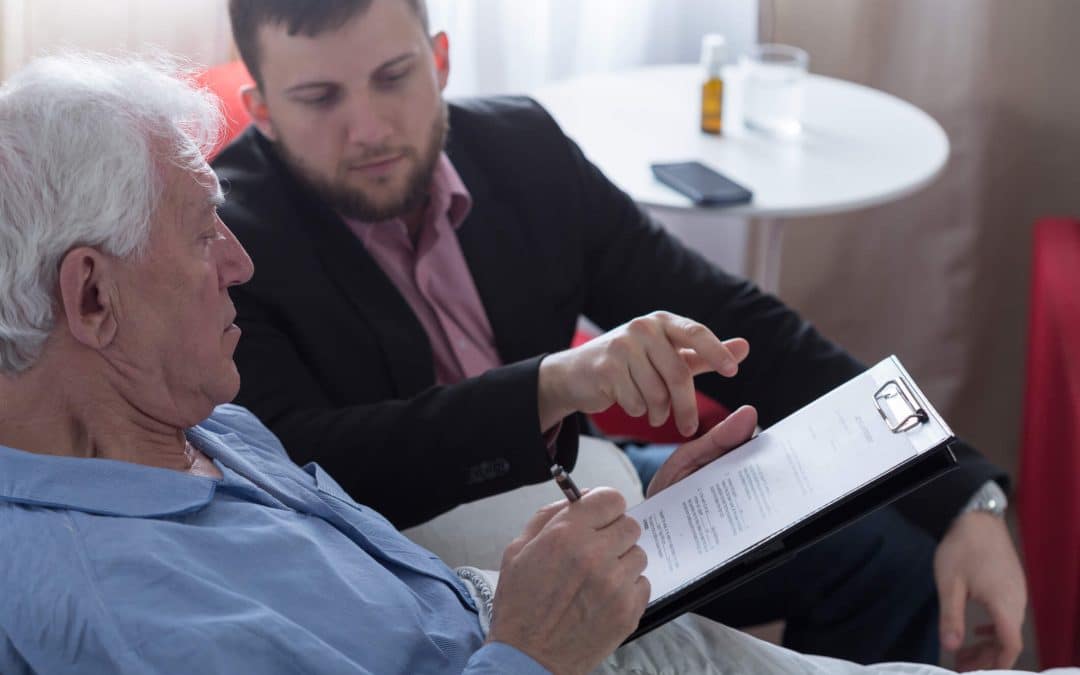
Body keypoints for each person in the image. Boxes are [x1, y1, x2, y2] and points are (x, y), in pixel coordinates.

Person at [4, 51, 1064, 675]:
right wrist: (534, 644)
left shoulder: (191, 420)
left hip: (563, 576)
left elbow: (738, 322)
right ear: (91, 296)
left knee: (885, 551)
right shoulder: (111, 606)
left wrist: (966, 495)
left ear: (441, 61)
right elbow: (359, 459)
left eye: (395, 77)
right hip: (533, 608)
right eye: (204, 234)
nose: (368, 126)